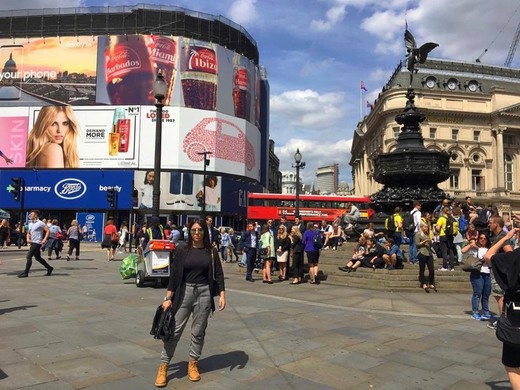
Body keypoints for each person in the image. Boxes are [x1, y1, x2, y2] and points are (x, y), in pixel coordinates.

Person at [154, 218, 225, 387]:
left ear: (204, 232)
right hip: (184, 292)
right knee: (174, 330)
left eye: (200, 230)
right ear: (189, 231)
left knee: (198, 331)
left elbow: (219, 274)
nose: (197, 233)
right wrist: (168, 298)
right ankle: (164, 365)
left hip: (204, 293)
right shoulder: (181, 250)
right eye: (193, 230)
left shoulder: (212, 252)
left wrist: (222, 294)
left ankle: (193, 363)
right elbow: (175, 275)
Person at [483, 228, 520, 390]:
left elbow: (487, 256)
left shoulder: (513, 258)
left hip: (515, 320)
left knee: (512, 365)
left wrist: (506, 237)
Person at [487, 215, 514, 330]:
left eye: (490, 222)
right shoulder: (498, 236)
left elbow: (509, 253)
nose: (489, 224)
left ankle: (504, 321)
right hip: (498, 270)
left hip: (500, 271)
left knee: (500, 296)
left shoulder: (502, 236)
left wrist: (501, 264)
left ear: (496, 224)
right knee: (500, 296)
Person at [462, 234, 491, 320]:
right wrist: (471, 244)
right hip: (477, 273)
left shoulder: (489, 249)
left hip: (488, 273)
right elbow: (463, 251)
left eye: (485, 238)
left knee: (486, 294)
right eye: (481, 238)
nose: (483, 240)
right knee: (477, 293)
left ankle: (486, 311)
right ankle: (475, 311)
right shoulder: (474, 248)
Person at [18, 210, 53, 277]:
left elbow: (48, 231)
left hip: (37, 242)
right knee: (38, 258)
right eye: (30, 214)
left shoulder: (40, 223)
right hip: (32, 242)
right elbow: (28, 232)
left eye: (31, 214)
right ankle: (49, 268)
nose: (30, 215)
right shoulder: (30, 223)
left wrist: (44, 240)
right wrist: (28, 238)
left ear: (36, 215)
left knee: (28, 256)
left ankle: (26, 273)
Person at [415, 222, 435, 292]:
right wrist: (425, 241)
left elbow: (431, 245)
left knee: (431, 269)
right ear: (422, 227)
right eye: (425, 227)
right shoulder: (418, 234)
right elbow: (417, 244)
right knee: (422, 269)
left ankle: (431, 282)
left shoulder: (427, 234)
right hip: (422, 252)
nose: (426, 228)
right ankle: (423, 283)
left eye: (427, 227)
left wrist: (430, 242)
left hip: (429, 253)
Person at [436, 207, 456, 271]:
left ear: (442, 211)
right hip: (450, 236)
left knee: (444, 251)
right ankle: (452, 267)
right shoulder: (452, 218)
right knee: (451, 251)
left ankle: (445, 266)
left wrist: (436, 228)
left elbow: (438, 228)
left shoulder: (441, 218)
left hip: (443, 235)